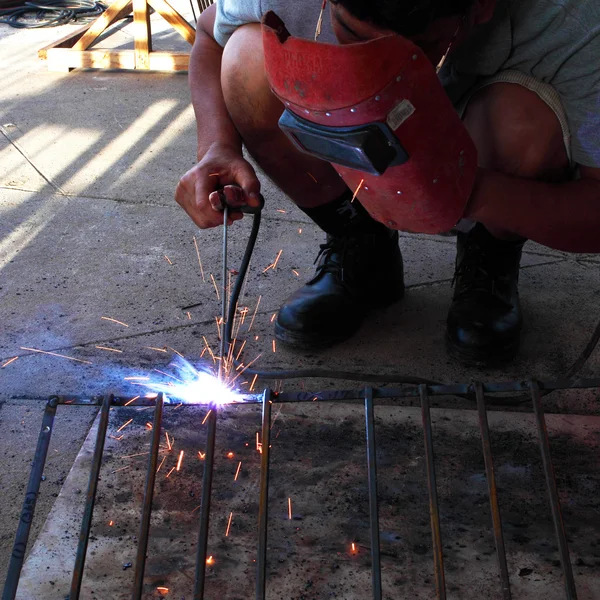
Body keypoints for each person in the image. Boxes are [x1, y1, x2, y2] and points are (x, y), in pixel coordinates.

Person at [175, 0, 600, 366]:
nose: (375, 63)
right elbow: (212, 36)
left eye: (417, 48)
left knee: (523, 120)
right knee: (247, 59)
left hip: (485, 125)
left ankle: (486, 261)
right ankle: (361, 250)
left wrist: (472, 192)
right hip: (350, 126)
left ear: (481, 7)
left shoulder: (571, 19)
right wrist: (216, 146)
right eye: (352, 35)